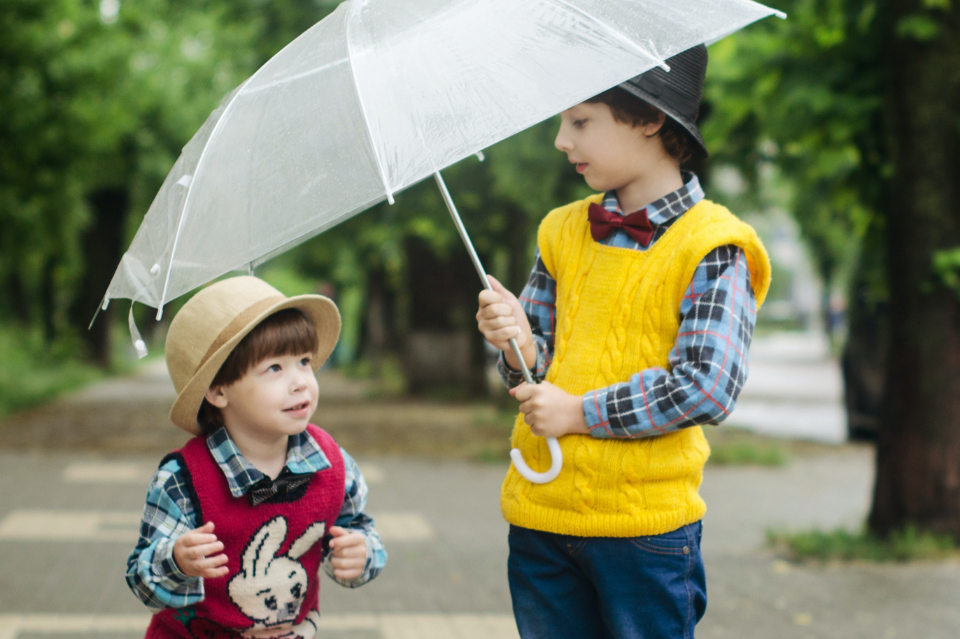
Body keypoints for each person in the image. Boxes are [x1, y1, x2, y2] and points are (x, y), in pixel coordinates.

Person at [476, 44, 771, 639]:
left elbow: (706, 388)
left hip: (643, 533)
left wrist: (579, 412)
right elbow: (531, 379)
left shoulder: (713, 246)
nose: (562, 140)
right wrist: (518, 345)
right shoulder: (562, 230)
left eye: (581, 121)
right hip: (541, 514)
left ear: (651, 117)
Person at [126, 276, 385, 639]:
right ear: (218, 390)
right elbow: (141, 578)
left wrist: (360, 555)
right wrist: (177, 560)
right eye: (275, 369)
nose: (300, 382)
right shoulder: (183, 481)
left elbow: (358, 528)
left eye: (304, 362)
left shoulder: (331, 464)